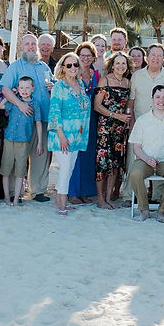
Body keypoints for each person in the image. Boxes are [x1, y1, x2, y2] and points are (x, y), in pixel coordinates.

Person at [1, 34, 54, 203]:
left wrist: (53, 86)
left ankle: (37, 190)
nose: (31, 47)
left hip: (43, 117)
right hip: (22, 120)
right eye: (27, 44)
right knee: (19, 155)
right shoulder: (15, 66)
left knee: (41, 154)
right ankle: (13, 192)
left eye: (33, 44)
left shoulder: (44, 66)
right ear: (22, 47)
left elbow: (51, 86)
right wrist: (20, 104)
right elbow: (5, 89)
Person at [129, 85, 164, 222]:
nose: (161, 100)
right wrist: (147, 159)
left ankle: (162, 211)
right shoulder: (142, 120)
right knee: (135, 173)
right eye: (158, 97)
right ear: (152, 99)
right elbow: (136, 147)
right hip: (145, 159)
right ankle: (144, 210)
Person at [48, 52, 92, 216]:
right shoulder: (59, 86)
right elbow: (54, 112)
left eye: (75, 64)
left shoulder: (80, 84)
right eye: (69, 65)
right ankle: (62, 204)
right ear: (63, 68)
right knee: (65, 168)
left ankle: (59, 201)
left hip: (77, 135)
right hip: (62, 135)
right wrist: (61, 135)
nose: (73, 68)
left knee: (70, 168)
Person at [93, 52, 133, 209]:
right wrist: (115, 115)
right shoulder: (105, 80)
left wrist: (126, 120)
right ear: (112, 64)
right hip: (106, 126)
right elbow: (97, 105)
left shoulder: (128, 83)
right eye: (118, 63)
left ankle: (109, 197)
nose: (121, 66)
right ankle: (101, 199)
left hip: (121, 128)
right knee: (102, 162)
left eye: (124, 63)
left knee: (116, 163)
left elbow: (128, 105)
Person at [2, 77, 42, 206]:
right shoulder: (14, 102)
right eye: (21, 88)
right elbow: (0, 105)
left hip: (23, 140)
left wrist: (40, 142)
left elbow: (38, 123)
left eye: (27, 87)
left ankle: (16, 199)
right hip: (9, 138)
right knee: (6, 170)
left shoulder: (35, 104)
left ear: (32, 89)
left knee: (20, 170)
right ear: (18, 89)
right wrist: (12, 95)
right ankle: (7, 198)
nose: (24, 90)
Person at [68, 42, 100, 204]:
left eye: (89, 55)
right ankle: (72, 192)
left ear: (94, 57)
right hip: (75, 121)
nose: (85, 58)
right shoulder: (72, 73)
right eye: (82, 55)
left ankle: (86, 191)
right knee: (75, 156)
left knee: (88, 156)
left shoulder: (97, 76)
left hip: (93, 120)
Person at [128, 43, 164, 117]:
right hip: (140, 124)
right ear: (146, 58)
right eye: (153, 55)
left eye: (159, 56)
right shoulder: (136, 76)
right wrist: (131, 124)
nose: (156, 58)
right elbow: (130, 102)